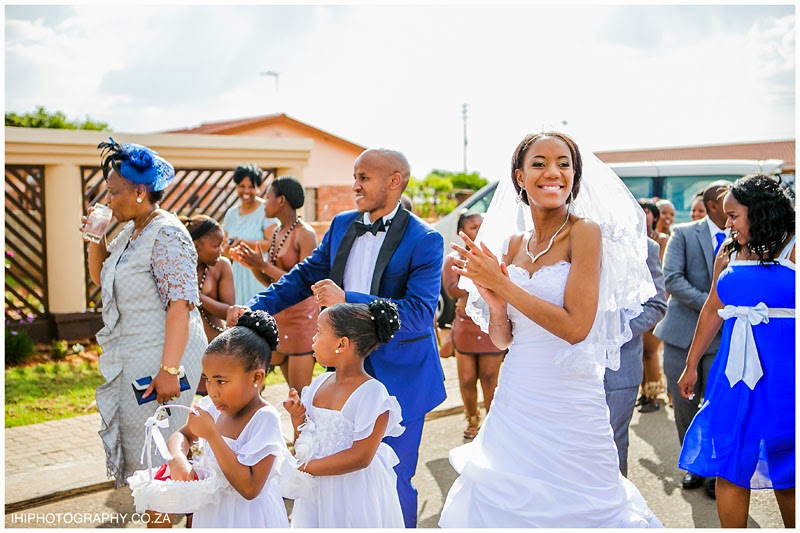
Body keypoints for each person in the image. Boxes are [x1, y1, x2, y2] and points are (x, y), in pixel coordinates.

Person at [438, 132, 661, 527]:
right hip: (518, 394)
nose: (552, 172)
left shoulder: (584, 232)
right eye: (539, 163)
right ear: (520, 177)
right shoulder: (512, 244)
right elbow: (504, 339)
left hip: (569, 395)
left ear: (575, 176)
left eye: (564, 164)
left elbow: (576, 327)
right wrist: (495, 304)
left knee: (577, 502)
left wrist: (505, 285)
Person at [227, 147, 446, 528]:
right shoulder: (343, 224)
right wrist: (254, 308)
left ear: (395, 182)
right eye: (355, 176)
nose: (354, 185)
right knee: (338, 480)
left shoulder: (424, 239)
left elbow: (419, 314)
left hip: (402, 377)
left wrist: (350, 300)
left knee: (392, 479)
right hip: (343, 376)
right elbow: (302, 276)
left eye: (364, 177)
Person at [82, 139, 207, 491]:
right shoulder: (130, 232)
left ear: (139, 191)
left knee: (160, 458)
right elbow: (101, 276)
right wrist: (96, 237)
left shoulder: (166, 233)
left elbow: (180, 305)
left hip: (163, 358)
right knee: (147, 456)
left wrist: (169, 370)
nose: (107, 200)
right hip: (136, 354)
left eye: (113, 192)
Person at [677, 174, 795, 528]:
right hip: (734, 374)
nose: (727, 223)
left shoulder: (795, 247)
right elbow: (713, 308)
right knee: (729, 457)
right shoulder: (728, 250)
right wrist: (691, 364)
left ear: (759, 212)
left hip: (786, 373)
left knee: (787, 461)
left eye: (733, 215)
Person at [283, 299, 405, 527]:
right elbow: (305, 444)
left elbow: (361, 457)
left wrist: (304, 469)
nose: (313, 338)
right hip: (316, 490)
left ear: (342, 343)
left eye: (318, 332)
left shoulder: (372, 394)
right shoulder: (318, 385)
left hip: (354, 493)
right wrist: (298, 418)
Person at [166, 310, 291, 528]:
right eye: (208, 379)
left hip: (250, 519)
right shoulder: (211, 408)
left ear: (256, 377)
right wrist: (177, 459)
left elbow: (250, 488)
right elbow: (182, 434)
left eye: (221, 381)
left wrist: (212, 436)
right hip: (212, 515)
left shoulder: (264, 419)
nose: (212, 391)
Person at [654, 180, 730, 498]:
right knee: (684, 405)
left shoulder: (744, 234)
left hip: (726, 338)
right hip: (682, 335)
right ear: (713, 205)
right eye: (728, 199)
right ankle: (693, 466)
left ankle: (715, 471)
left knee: (717, 403)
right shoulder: (684, 233)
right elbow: (672, 278)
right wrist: (714, 306)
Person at [231, 176, 319, 393]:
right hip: (279, 317)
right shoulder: (277, 233)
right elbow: (271, 282)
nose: (263, 201)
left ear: (281, 201)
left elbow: (306, 283)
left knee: (300, 397)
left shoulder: (305, 234)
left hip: (301, 322)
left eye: (268, 196)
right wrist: (253, 265)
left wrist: (263, 264)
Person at [604, 236, 667, 476]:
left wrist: (617, 331)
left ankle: (614, 508)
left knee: (613, 441)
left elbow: (657, 304)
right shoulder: (566, 235)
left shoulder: (645, 246)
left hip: (621, 364)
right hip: (569, 363)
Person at [442, 210, 505, 440]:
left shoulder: (495, 256)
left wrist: (475, 279)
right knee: (467, 379)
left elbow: (503, 286)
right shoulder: (453, 259)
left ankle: (493, 422)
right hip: (465, 324)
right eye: (472, 227)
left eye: (480, 226)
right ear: (462, 232)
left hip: (490, 325)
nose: (477, 231)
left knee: (490, 378)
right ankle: (472, 419)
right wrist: (482, 279)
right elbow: (451, 290)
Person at [180, 215, 235, 396]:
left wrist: (196, 295)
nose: (221, 250)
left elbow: (229, 311)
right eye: (216, 246)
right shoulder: (177, 268)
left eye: (222, 244)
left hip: (214, 350)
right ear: (196, 246)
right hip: (183, 353)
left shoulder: (222, 267)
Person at [221, 163, 277, 306]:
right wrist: (230, 247)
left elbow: (271, 243)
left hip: (259, 274)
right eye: (242, 186)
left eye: (251, 187)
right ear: (236, 187)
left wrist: (243, 243)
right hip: (238, 275)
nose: (246, 190)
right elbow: (224, 248)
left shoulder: (266, 210)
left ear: (259, 188)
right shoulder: (231, 214)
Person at [637, 199, 668, 413]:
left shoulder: (661, 241)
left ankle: (654, 395)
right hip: (637, 302)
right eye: (642, 210)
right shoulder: (632, 241)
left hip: (656, 300)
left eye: (649, 211)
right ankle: (644, 393)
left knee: (650, 352)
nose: (645, 214)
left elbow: (662, 272)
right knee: (640, 352)